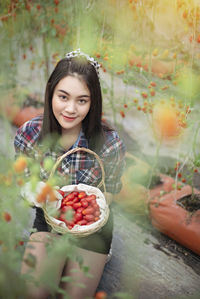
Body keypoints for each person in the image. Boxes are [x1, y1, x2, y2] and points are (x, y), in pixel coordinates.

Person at [14, 49, 126, 299]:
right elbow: (23, 181)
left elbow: (111, 191)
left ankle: (98, 253)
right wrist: (38, 194)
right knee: (34, 292)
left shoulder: (109, 143)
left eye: (82, 100)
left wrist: (83, 219)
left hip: (92, 228)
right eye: (63, 97)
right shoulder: (30, 134)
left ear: (93, 101)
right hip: (49, 219)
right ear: (51, 92)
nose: (71, 109)